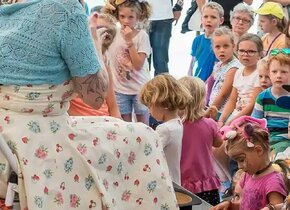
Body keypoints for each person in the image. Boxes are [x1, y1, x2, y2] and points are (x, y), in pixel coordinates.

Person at [0, 0, 179, 209]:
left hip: (7, 138)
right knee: (144, 137)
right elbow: (95, 98)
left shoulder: (6, 12)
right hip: (36, 140)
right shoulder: (65, 11)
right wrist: (94, 43)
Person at [210, 116, 288, 210]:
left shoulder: (273, 182)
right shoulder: (247, 175)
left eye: (241, 159)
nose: (239, 166)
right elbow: (245, 203)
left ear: (258, 150)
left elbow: (280, 207)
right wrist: (229, 204)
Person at [103, 0, 151, 124]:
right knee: (125, 126)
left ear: (138, 17)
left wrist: (129, 41)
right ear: (117, 15)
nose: (126, 21)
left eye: (131, 17)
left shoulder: (142, 36)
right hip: (120, 90)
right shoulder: (113, 33)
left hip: (140, 89)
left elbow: (138, 65)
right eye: (122, 16)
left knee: (143, 126)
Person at [179, 76, 223, 206]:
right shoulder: (210, 124)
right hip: (206, 181)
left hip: (182, 182)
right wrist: (212, 120)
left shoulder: (175, 126)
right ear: (201, 100)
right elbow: (218, 143)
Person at [140, 74, 191, 184]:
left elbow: (147, 152)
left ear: (164, 104)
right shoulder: (178, 122)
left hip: (164, 182)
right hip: (174, 179)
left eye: (150, 106)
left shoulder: (165, 129)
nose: (149, 111)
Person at [68, 12, 121, 118]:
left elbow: (112, 105)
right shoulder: (73, 61)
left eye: (100, 29)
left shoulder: (105, 64)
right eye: (94, 28)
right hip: (79, 122)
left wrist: (121, 126)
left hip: (103, 119)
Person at [252, 48, 290, 159]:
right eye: (274, 72)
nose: (278, 75)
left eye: (284, 72)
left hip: (285, 139)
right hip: (267, 138)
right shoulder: (263, 97)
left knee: (278, 155)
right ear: (269, 73)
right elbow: (256, 122)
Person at [218, 33, 263, 126]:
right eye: (241, 51)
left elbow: (252, 105)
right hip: (235, 114)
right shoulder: (238, 71)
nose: (245, 55)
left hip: (249, 119)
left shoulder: (260, 74)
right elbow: (232, 100)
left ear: (260, 53)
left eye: (251, 51)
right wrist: (222, 119)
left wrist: (232, 122)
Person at [205, 26, 241, 120]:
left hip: (221, 112)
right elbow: (210, 83)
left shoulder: (234, 67)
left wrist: (209, 112)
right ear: (213, 48)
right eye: (217, 47)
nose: (222, 50)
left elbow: (224, 94)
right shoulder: (219, 65)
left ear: (233, 46)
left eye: (226, 46)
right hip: (213, 108)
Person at [188, 1, 224, 81]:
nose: (208, 20)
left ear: (221, 20)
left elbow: (217, 68)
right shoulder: (197, 40)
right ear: (201, 18)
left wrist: (207, 84)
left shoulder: (221, 42)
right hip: (195, 82)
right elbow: (193, 63)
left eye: (213, 17)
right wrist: (189, 79)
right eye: (205, 17)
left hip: (210, 83)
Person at [146, 0, 183, 76]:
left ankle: (162, 87)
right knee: (140, 61)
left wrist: (179, 7)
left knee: (161, 61)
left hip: (163, 16)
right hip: (139, 13)